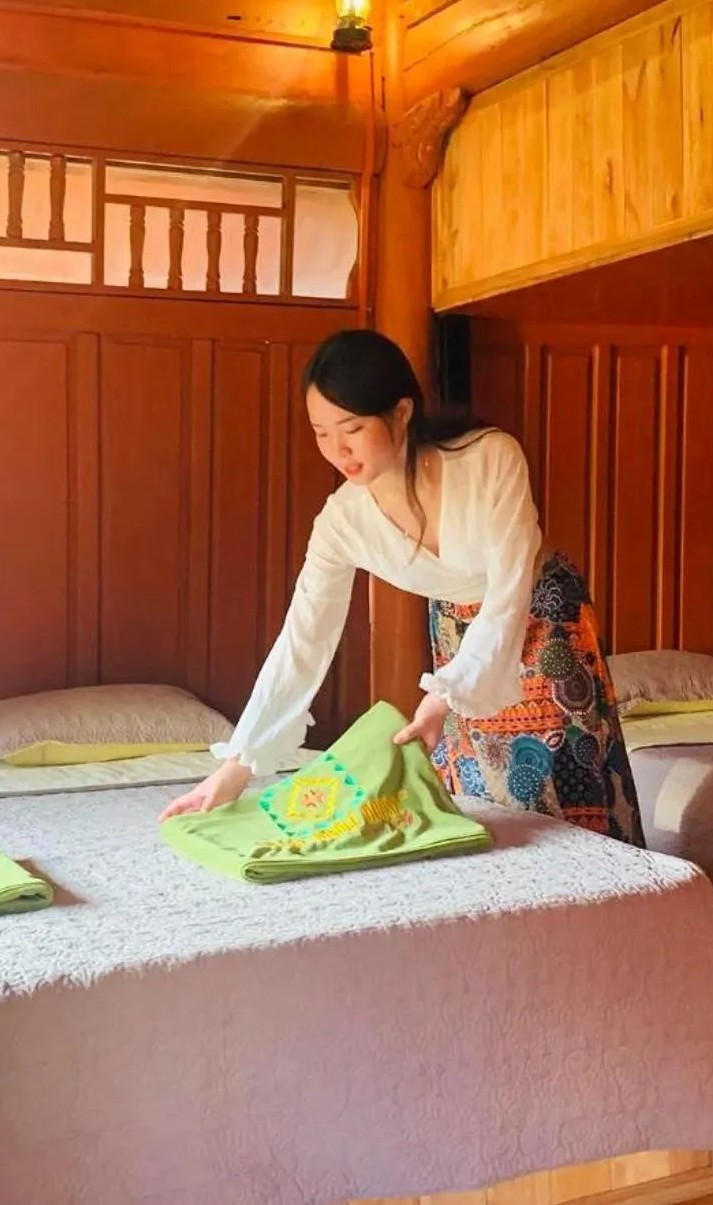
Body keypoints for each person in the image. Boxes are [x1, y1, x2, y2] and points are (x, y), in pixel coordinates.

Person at [158, 328, 642, 845]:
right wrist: (238, 766)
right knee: (485, 803)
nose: (337, 449)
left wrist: (446, 696)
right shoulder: (342, 521)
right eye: (320, 432)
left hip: (542, 613)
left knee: (571, 788)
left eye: (352, 427)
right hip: (458, 633)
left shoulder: (490, 458)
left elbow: (508, 587)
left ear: (402, 412)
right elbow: (304, 638)